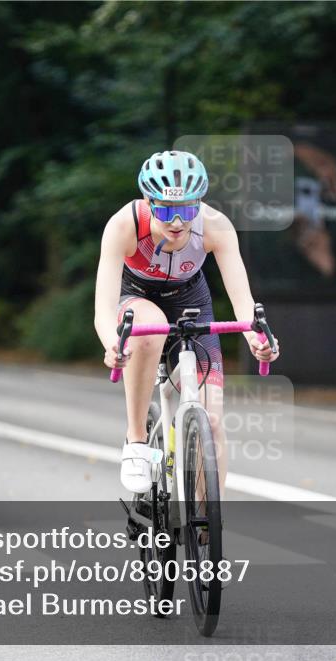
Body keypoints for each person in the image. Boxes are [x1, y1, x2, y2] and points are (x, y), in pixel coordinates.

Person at [95, 150, 280, 494]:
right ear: (148, 201)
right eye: (166, 210)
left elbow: (242, 299)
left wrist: (256, 337)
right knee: (150, 330)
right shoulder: (124, 225)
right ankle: (136, 439)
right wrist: (112, 342)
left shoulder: (215, 225)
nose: (178, 222)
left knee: (212, 419)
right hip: (137, 297)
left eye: (186, 210)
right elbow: (103, 308)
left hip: (191, 300)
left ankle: (210, 534)